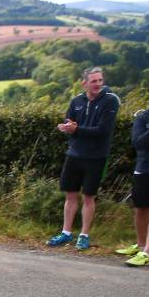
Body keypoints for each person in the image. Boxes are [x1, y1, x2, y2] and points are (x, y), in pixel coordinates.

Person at [46, 67, 122, 251]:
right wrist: (66, 127)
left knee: (89, 197)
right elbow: (69, 121)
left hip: (96, 157)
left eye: (100, 80)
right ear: (84, 83)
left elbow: (103, 131)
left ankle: (84, 235)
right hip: (74, 154)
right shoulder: (76, 101)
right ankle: (66, 233)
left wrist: (76, 129)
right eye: (94, 81)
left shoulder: (110, 101)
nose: (98, 84)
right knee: (70, 195)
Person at [119, 77, 149, 267]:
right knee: (141, 209)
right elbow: (139, 144)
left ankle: (147, 252)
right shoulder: (143, 117)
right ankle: (140, 245)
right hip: (145, 170)